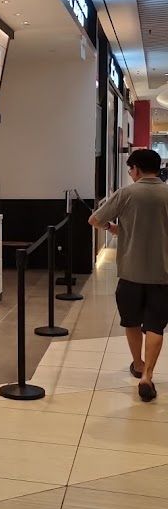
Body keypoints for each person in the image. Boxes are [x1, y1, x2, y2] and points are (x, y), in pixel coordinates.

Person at [89, 148, 168, 401]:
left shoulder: (126, 194)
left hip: (131, 273)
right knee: (156, 325)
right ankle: (148, 375)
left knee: (131, 321)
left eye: (130, 169)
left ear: (136, 169)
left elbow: (94, 219)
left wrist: (114, 229)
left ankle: (137, 363)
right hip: (163, 275)